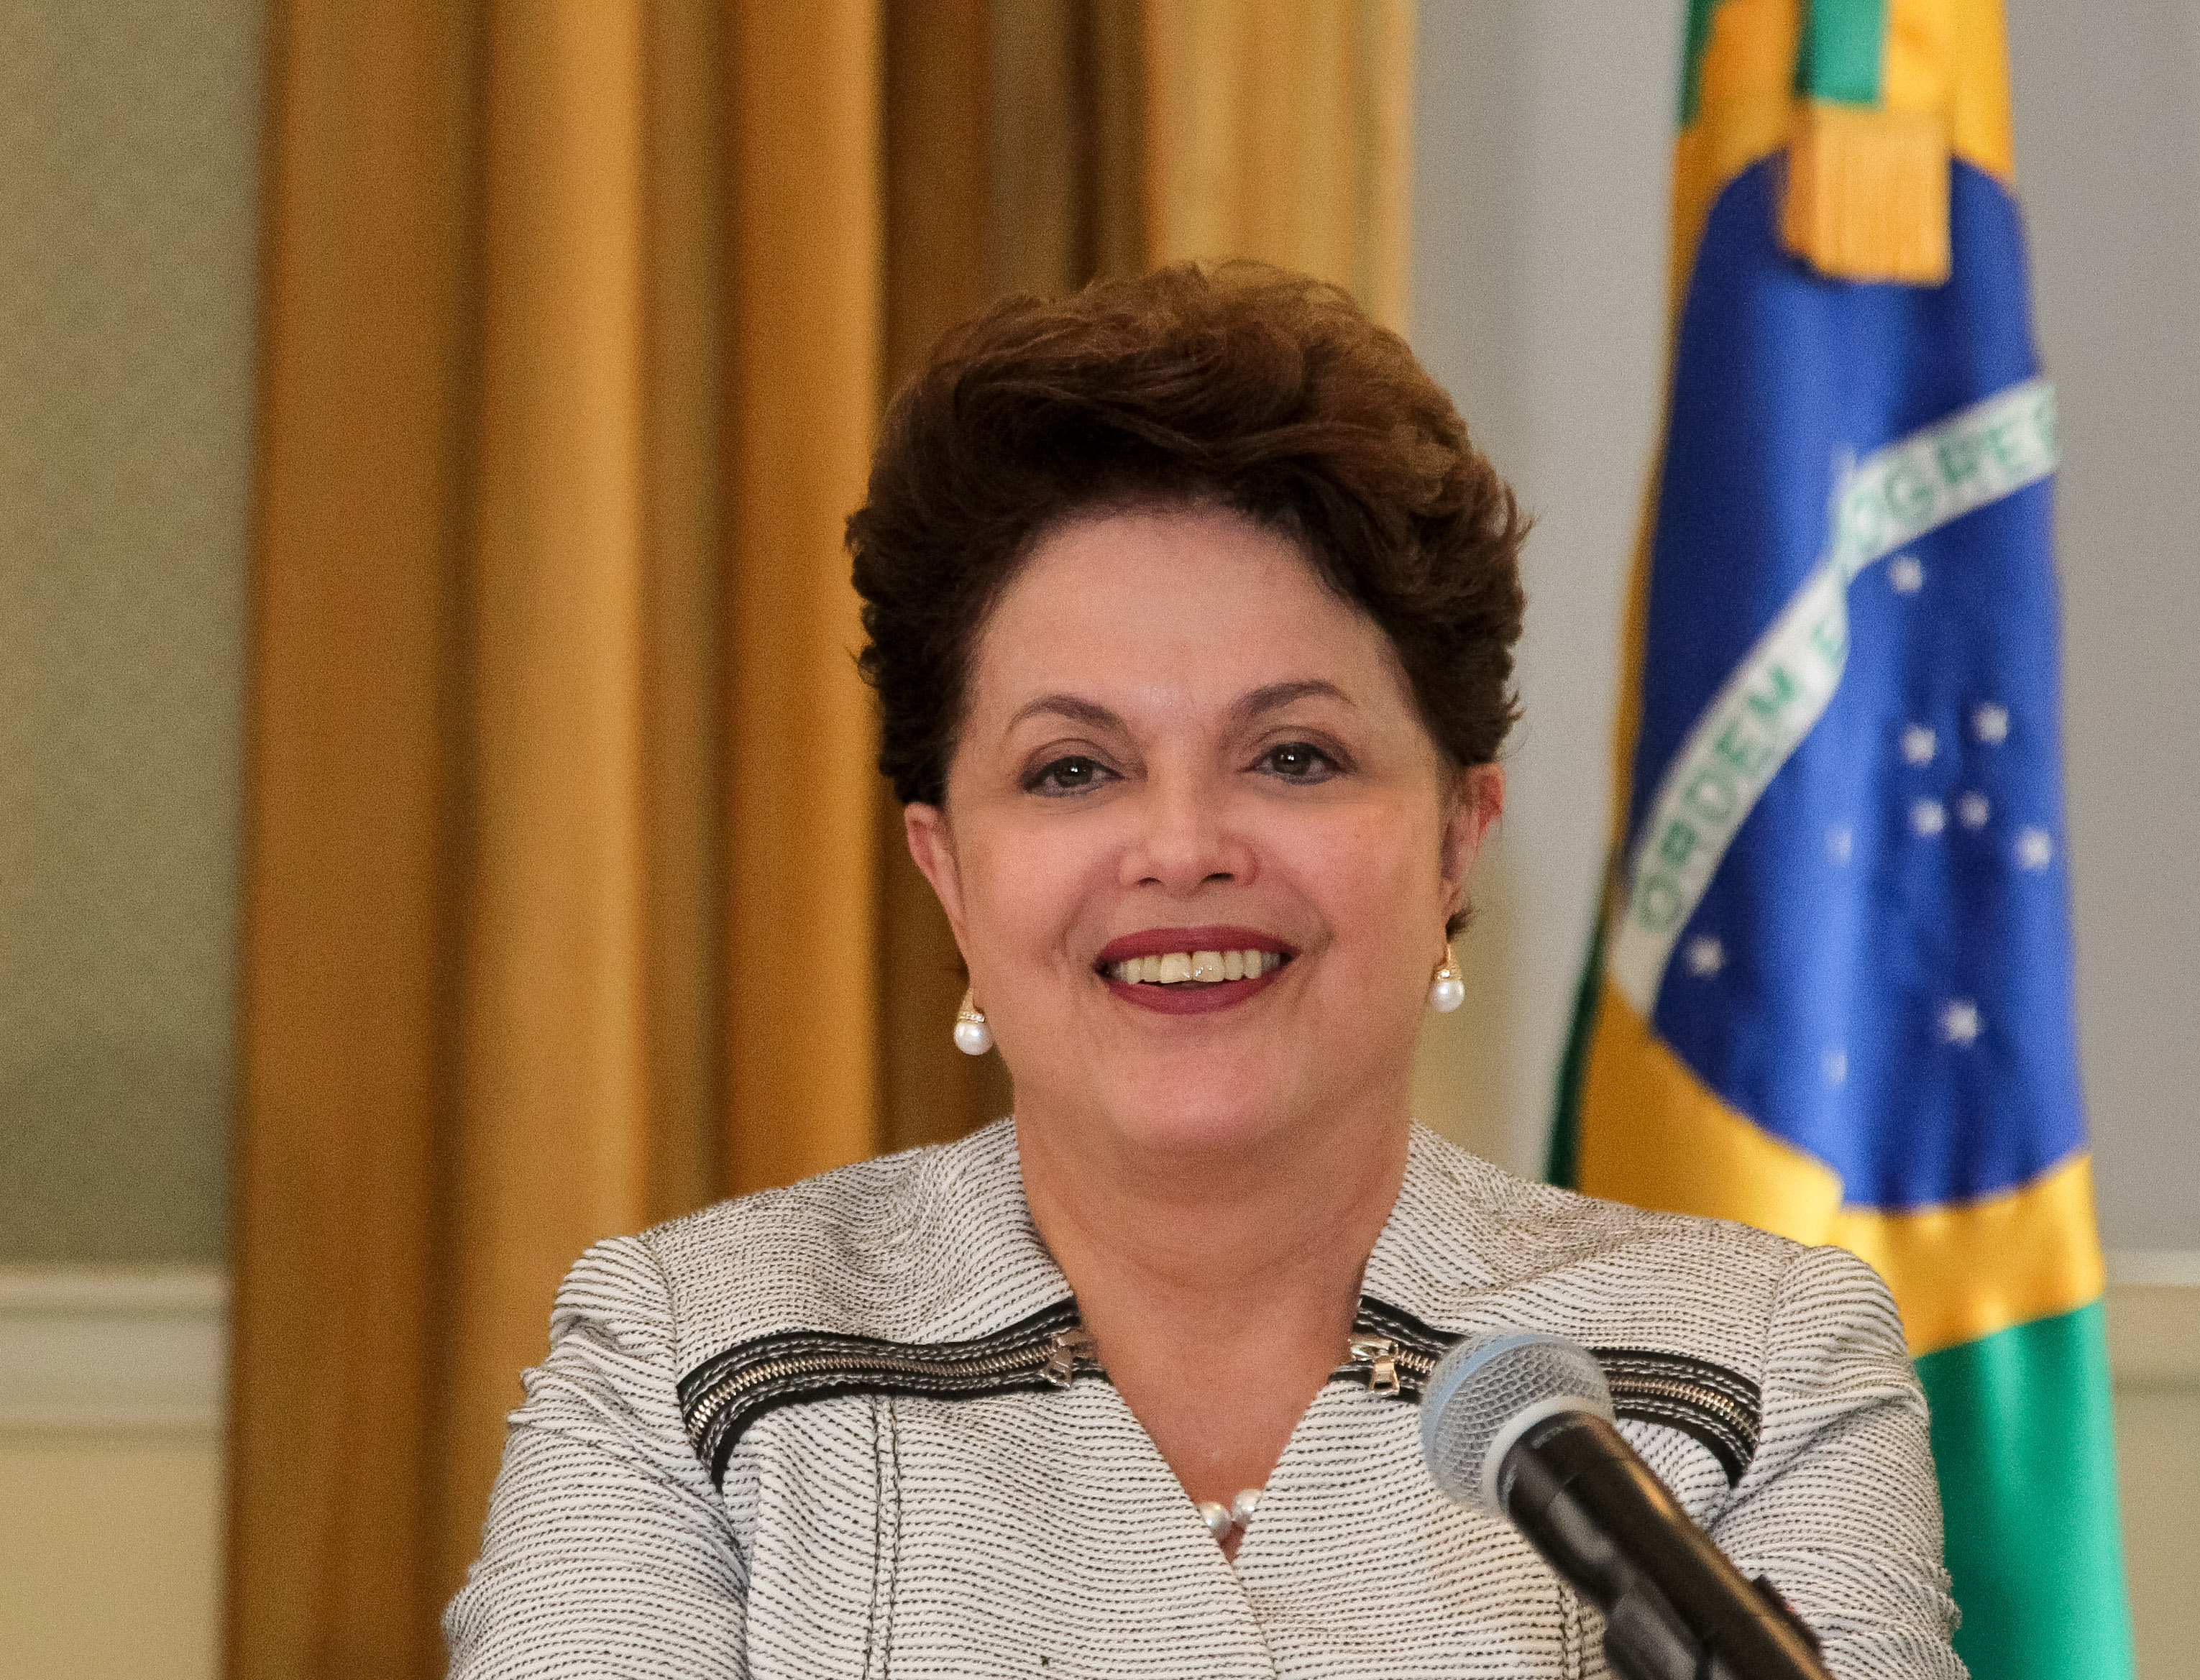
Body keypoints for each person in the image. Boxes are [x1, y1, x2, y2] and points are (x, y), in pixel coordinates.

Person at [444, 262, 1963, 1679]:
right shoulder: (688, 1363)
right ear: (948, 871)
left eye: (1292, 755)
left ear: (1454, 838)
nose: (1181, 847)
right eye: (1072, 768)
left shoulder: (1749, 1368)